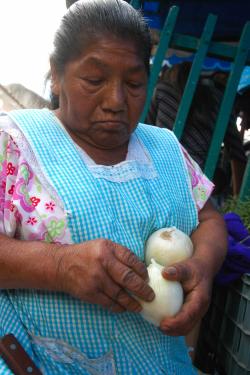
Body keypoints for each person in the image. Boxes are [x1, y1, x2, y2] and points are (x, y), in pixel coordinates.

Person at [0, 1, 227, 374]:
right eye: (94, 80)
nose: (116, 101)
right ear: (56, 75)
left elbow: (209, 218)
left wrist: (203, 264)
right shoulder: (15, 143)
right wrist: (58, 266)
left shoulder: (165, 147)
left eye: (134, 83)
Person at [146, 63, 247, 196]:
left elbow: (146, 132)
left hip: (165, 175)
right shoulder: (218, 98)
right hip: (203, 183)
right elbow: (237, 152)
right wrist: (238, 201)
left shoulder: (162, 91)